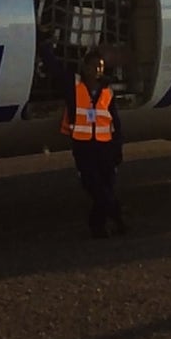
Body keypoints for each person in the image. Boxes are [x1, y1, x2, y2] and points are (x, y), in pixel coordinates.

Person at [38, 40, 126, 237]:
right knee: (96, 188)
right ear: (85, 68)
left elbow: (115, 123)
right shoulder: (74, 87)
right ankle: (115, 220)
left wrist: (118, 148)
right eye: (94, 66)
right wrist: (44, 47)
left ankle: (99, 227)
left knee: (106, 189)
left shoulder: (107, 92)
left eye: (100, 67)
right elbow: (56, 70)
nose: (97, 71)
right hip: (84, 149)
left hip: (105, 148)